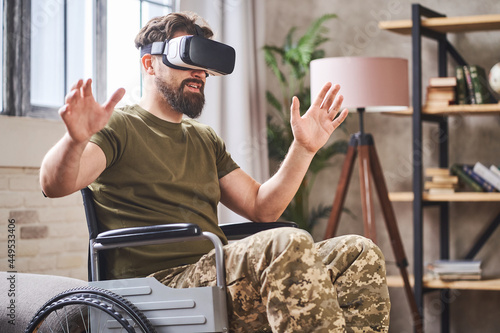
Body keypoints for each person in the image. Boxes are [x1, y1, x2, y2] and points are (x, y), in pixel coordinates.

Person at [40, 11, 390, 333]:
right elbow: (55, 184)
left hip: (214, 272)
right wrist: (75, 139)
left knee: (358, 252)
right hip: (156, 284)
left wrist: (304, 148)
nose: (200, 72)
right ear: (150, 63)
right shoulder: (121, 126)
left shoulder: (204, 138)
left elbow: (262, 208)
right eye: (187, 57)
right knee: (288, 243)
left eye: (205, 64)